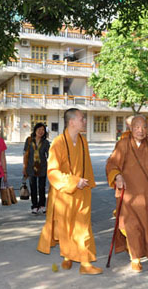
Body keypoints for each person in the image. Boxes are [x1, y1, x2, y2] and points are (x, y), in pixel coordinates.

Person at [37, 108, 102, 275]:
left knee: (83, 228)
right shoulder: (58, 143)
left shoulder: (83, 141)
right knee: (66, 229)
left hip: (82, 192)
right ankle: (68, 255)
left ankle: (85, 264)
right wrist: (73, 181)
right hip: (64, 194)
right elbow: (52, 172)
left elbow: (86, 165)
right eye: (82, 118)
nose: (85, 121)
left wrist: (87, 184)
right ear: (72, 122)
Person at [106, 116, 148, 272]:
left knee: (143, 225)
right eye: (137, 127)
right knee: (132, 225)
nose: (141, 130)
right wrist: (117, 176)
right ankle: (135, 257)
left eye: (144, 127)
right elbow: (112, 164)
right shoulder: (123, 144)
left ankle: (134, 249)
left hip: (146, 194)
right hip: (128, 194)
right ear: (131, 129)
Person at [23, 122, 50, 214]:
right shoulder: (29, 140)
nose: (41, 131)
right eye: (39, 129)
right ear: (35, 130)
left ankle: (42, 205)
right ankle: (34, 206)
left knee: (42, 187)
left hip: (42, 167)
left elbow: (50, 155)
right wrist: (24, 166)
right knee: (33, 187)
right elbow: (25, 154)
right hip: (31, 167)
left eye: (43, 130)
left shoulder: (46, 142)